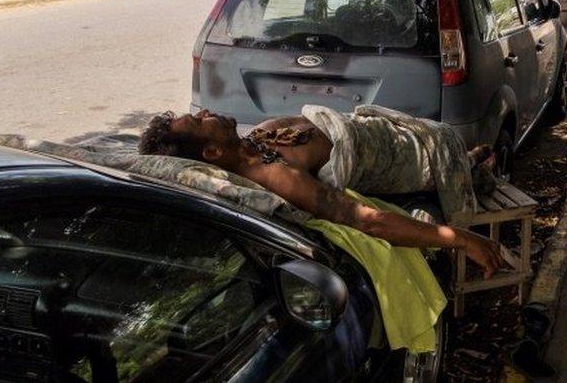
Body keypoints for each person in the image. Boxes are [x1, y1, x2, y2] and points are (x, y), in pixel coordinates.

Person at [139, 108, 504, 277]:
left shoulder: (251, 141)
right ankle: (473, 167)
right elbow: (369, 222)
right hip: (421, 158)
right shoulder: (278, 176)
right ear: (212, 153)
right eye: (200, 121)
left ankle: (472, 163)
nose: (205, 111)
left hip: (412, 132)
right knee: (464, 163)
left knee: (462, 152)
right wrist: (459, 238)